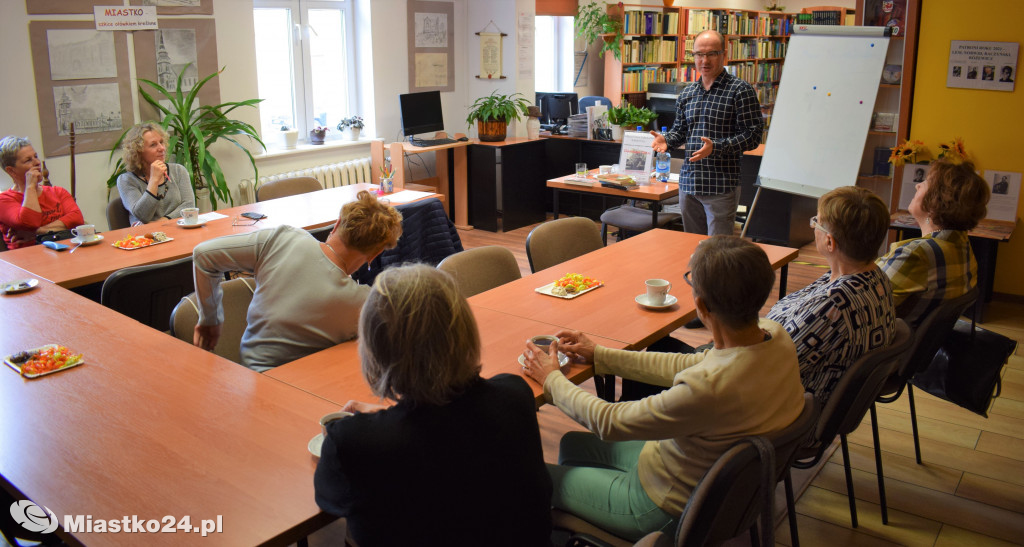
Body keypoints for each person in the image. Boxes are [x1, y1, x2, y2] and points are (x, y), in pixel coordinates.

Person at [522, 236, 804, 541]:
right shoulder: (775, 336)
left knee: (531, 479)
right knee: (572, 446)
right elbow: (687, 364)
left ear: (701, 306)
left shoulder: (708, 388)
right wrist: (601, 355)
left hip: (661, 507)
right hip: (689, 474)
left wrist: (551, 379)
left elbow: (608, 421)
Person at [314, 265, 552, 546]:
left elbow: (331, 500)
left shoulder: (353, 442)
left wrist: (378, 425)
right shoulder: (515, 395)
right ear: (464, 329)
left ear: (374, 347)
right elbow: (448, 434)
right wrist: (385, 422)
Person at [191, 190, 402, 371]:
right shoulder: (361, 303)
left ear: (337, 224)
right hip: (306, 388)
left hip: (252, 376)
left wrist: (211, 320)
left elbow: (203, 255)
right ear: (374, 255)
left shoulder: (282, 238)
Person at [767, 187, 896, 406]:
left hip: (789, 411)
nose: (812, 226)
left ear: (829, 242)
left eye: (815, 222)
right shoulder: (876, 276)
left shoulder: (833, 305)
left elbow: (766, 367)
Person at [650, 29, 763, 237]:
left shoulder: (740, 90)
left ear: (724, 55)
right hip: (689, 184)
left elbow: (753, 135)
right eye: (699, 54)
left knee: (717, 252)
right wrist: (667, 141)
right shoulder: (688, 93)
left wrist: (716, 147)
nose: (704, 60)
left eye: (711, 53)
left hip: (720, 185)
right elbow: (680, 132)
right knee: (691, 247)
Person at [878, 159, 990, 328]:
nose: (917, 186)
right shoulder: (963, 246)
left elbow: (860, 304)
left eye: (926, 182)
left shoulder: (917, 254)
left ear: (936, 202)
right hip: (920, 346)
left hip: (889, 348)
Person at [0, 135, 84, 249]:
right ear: (11, 170)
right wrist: (30, 186)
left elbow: (77, 219)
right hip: (27, 260)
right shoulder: (4, 200)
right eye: (28, 160)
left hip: (64, 251)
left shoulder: (58, 192)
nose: (37, 162)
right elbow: (30, 222)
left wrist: (36, 232)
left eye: (36, 156)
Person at [116, 122, 195, 225]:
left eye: (161, 142)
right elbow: (142, 215)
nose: (162, 148)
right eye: (153, 145)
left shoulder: (178, 171)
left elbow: (189, 206)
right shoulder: (126, 180)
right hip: (146, 237)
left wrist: (164, 220)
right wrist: (154, 180)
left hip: (177, 230)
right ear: (138, 151)